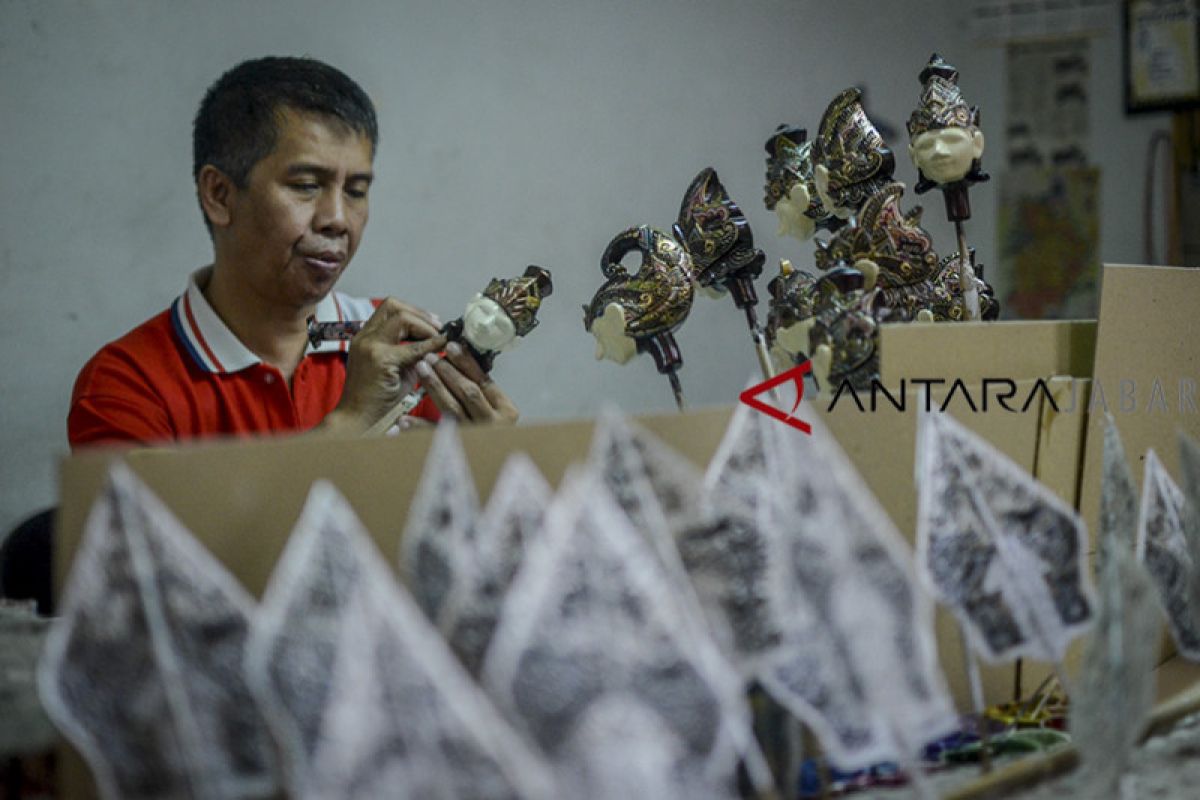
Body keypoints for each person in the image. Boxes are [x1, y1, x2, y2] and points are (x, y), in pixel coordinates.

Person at [68, 56, 517, 449]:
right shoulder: (126, 384)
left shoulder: (402, 348)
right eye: (306, 186)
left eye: (357, 190)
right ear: (220, 195)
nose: (338, 218)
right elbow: (162, 545)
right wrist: (348, 427)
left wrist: (490, 473)